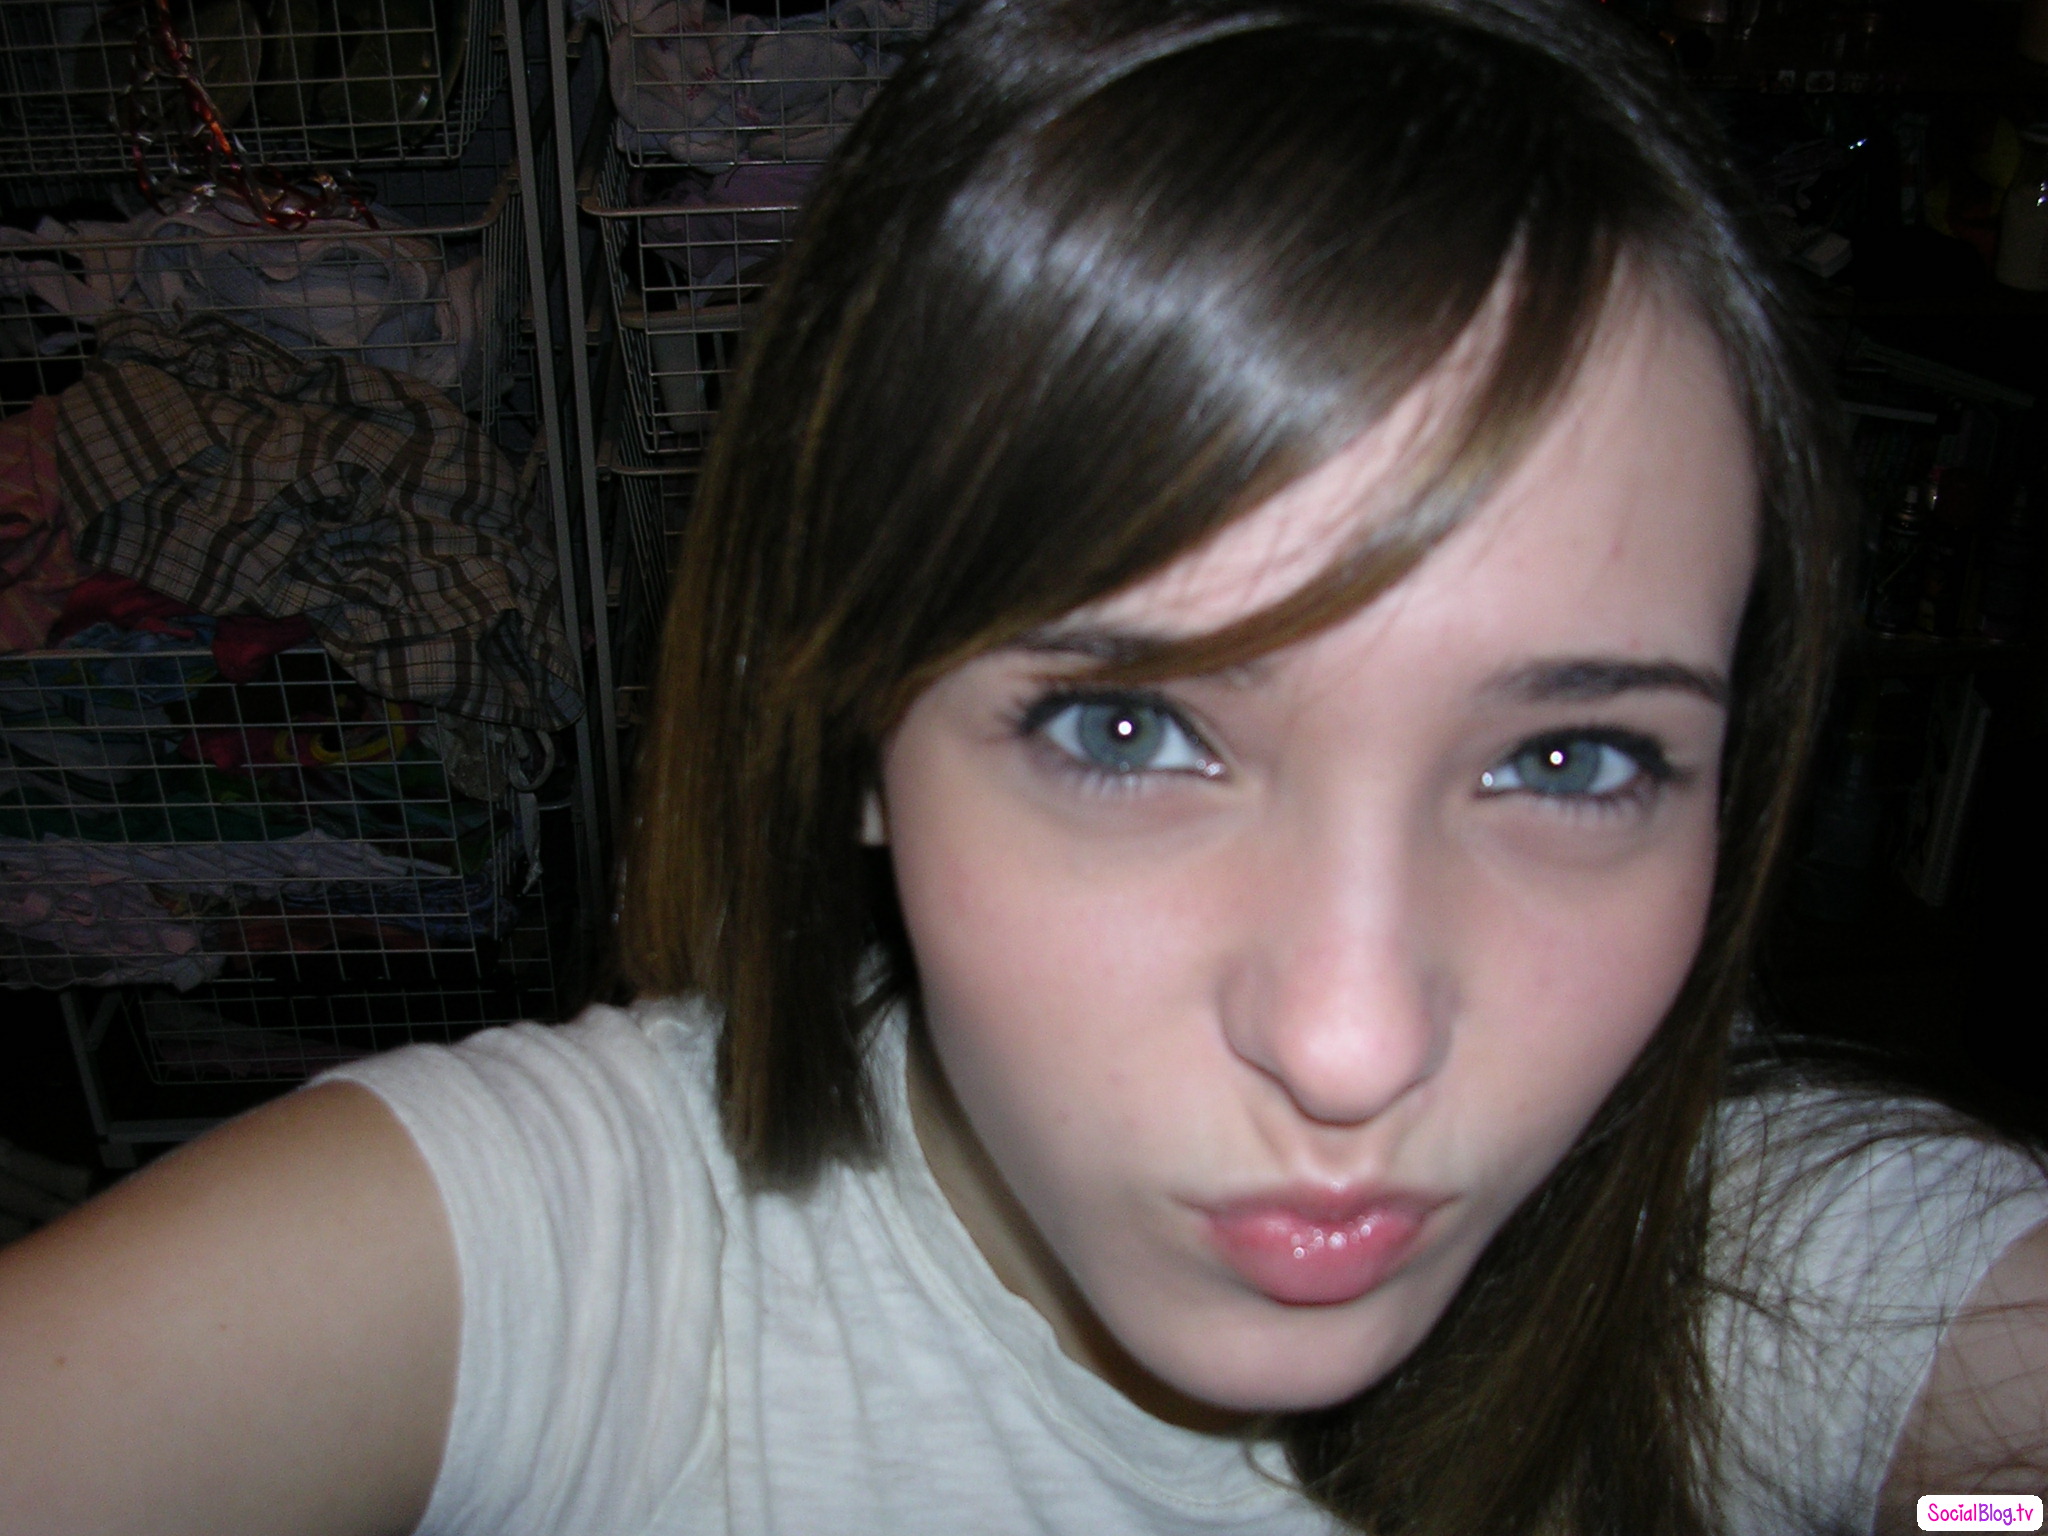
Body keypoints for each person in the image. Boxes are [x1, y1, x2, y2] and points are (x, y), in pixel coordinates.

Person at [3, 1, 2046, 1532]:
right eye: (1126, 729)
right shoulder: (586, 1272)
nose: (1350, 1045)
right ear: (855, 721)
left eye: (1572, 758)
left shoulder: (1783, 1290)